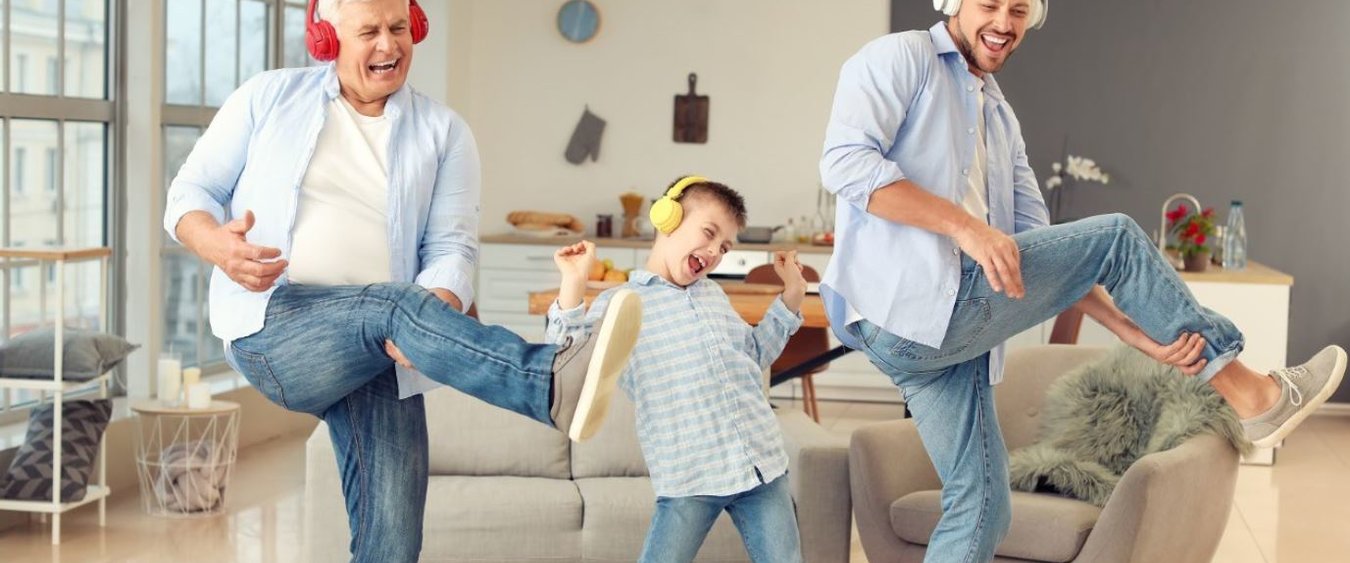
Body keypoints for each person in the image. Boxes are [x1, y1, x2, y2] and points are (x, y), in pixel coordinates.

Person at [818, 0, 1346, 560]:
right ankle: (1253, 395)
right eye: (989, 5)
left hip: (942, 336)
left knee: (982, 508)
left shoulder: (999, 116)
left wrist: (1132, 330)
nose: (1003, 23)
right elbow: (845, 163)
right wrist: (969, 229)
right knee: (1116, 234)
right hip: (905, 308)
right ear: (953, 3)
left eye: (1018, 10)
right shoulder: (901, 57)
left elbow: (1052, 257)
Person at [162, 0, 640, 561]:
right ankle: (550, 384)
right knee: (393, 305)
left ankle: (544, 380)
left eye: (398, 28)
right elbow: (189, 192)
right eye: (369, 32)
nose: (388, 46)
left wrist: (435, 306)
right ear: (327, 37)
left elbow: (452, 247)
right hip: (276, 329)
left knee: (392, 542)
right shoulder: (268, 97)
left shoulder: (444, 131)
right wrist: (217, 245)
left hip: (384, 347)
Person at [546, 177, 808, 563]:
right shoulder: (620, 302)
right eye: (708, 232)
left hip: (761, 464)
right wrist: (573, 283)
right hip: (690, 474)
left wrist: (791, 298)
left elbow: (752, 354)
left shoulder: (714, 295)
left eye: (724, 246)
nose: (715, 252)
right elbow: (562, 361)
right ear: (666, 219)